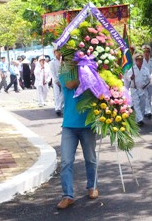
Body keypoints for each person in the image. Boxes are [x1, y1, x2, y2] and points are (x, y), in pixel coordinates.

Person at [56, 57, 98, 209]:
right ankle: (68, 195)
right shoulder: (64, 73)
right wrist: (87, 74)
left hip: (87, 123)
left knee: (91, 159)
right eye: (68, 59)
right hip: (69, 125)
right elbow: (70, 84)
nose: (71, 61)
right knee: (66, 161)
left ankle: (92, 187)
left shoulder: (91, 71)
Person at [124, 51, 151, 127]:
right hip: (134, 89)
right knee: (136, 104)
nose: (140, 61)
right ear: (136, 61)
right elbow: (127, 78)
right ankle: (139, 120)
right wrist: (130, 77)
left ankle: (140, 118)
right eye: (138, 60)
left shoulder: (145, 69)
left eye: (141, 60)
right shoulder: (132, 69)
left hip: (143, 89)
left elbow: (149, 79)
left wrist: (146, 84)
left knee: (142, 104)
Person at [142, 45, 152, 119]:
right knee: (144, 97)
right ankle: (146, 110)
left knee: (149, 97)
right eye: (145, 52)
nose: (146, 53)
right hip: (143, 82)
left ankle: (148, 110)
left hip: (150, 82)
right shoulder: (141, 61)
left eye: (148, 52)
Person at [50, 49, 63, 116]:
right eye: (56, 52)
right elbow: (53, 73)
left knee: (63, 94)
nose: (58, 53)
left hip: (63, 79)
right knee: (57, 94)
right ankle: (57, 108)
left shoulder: (63, 61)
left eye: (59, 51)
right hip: (56, 79)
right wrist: (56, 81)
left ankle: (61, 107)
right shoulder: (52, 62)